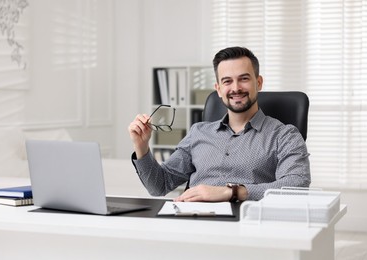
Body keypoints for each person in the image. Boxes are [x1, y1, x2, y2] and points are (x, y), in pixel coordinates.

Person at [128, 46, 310, 202]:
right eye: (227, 81)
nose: (236, 88)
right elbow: (159, 185)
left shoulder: (285, 135)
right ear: (219, 89)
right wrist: (142, 146)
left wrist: (232, 192)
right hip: (192, 223)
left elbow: (297, 184)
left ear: (259, 83)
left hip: (248, 225)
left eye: (244, 79)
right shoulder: (198, 132)